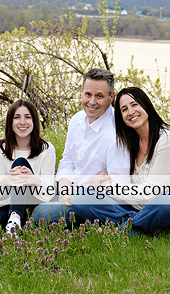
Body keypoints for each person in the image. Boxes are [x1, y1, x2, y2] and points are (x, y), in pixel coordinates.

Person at [71, 87, 170, 234]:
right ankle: (139, 226)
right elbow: (126, 184)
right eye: (124, 109)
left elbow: (150, 193)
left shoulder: (168, 139)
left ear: (146, 105)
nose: (130, 112)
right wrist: (107, 178)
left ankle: (122, 230)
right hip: (136, 209)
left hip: (167, 210)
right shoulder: (130, 141)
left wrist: (109, 186)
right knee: (81, 196)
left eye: (134, 104)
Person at [31, 68, 131, 223]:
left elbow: (119, 187)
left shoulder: (115, 135)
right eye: (88, 94)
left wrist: (80, 195)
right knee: (28, 187)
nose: (92, 102)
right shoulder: (76, 120)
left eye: (99, 96)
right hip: (69, 189)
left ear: (111, 97)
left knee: (41, 214)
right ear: (82, 92)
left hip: (91, 201)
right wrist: (64, 189)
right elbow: (68, 160)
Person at [0, 99, 56, 238]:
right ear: (10, 122)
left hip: (34, 204)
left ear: (34, 121)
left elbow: (48, 193)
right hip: (6, 203)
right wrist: (7, 180)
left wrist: (32, 179)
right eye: (17, 117)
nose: (22, 122)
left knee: (20, 163)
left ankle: (15, 217)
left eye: (27, 117)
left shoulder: (46, 149)